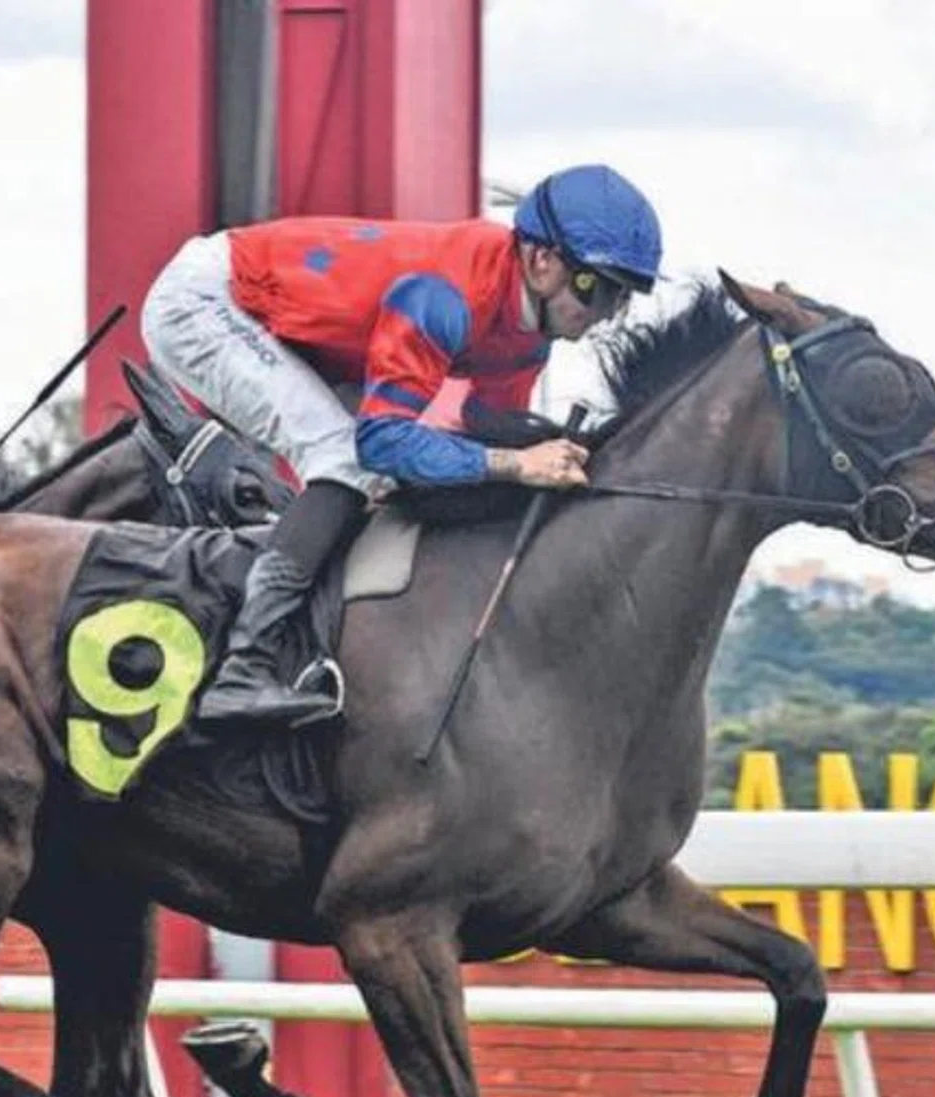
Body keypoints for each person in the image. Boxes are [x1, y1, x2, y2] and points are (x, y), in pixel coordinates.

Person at [141, 163, 662, 727]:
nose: (605, 315)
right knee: (346, 458)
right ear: (542, 261)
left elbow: (486, 424)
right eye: (595, 289)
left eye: (621, 298)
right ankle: (244, 668)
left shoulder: (530, 335)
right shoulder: (446, 295)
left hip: (299, 332)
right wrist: (516, 463)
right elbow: (382, 441)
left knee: (391, 472)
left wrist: (574, 452)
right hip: (208, 302)